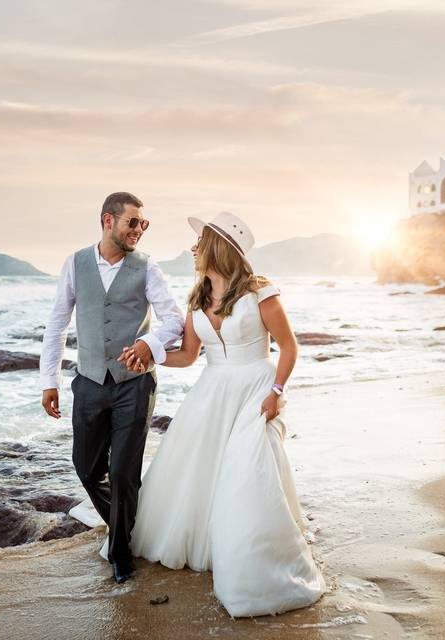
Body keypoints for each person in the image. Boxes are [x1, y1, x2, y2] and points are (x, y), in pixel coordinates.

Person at [117, 211, 327, 617]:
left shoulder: (260, 292)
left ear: (217, 246)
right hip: (212, 393)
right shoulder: (197, 297)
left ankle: (255, 553)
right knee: (199, 468)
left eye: (199, 242)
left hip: (255, 391)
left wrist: (277, 392)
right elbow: (189, 356)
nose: (193, 248)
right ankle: (215, 543)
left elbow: (289, 346)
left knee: (247, 471)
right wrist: (150, 356)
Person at [39, 192, 184, 584]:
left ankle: (121, 552)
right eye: (132, 222)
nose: (139, 230)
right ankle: (133, 526)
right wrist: (48, 380)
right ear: (108, 221)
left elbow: (175, 321)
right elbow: (57, 324)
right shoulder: (75, 263)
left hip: (133, 385)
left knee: (122, 473)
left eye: (143, 224)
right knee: (86, 468)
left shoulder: (148, 269)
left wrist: (149, 344)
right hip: (87, 381)